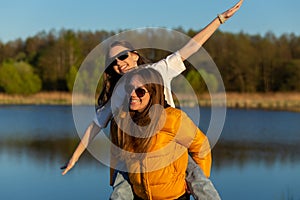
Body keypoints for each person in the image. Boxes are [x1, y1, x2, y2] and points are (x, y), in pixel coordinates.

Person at [61, 1, 243, 199]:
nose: (120, 64)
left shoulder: (159, 70)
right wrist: (75, 157)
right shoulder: (119, 92)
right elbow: (96, 125)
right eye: (113, 62)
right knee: (122, 186)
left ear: (135, 55)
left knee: (197, 180)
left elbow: (191, 47)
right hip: (137, 151)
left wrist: (219, 20)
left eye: (123, 57)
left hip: (169, 143)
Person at [111, 67, 212, 199]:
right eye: (129, 89)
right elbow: (118, 156)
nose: (133, 94)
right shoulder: (123, 120)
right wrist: (113, 183)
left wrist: (195, 182)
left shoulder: (173, 119)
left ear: (153, 93)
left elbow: (201, 146)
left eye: (140, 91)